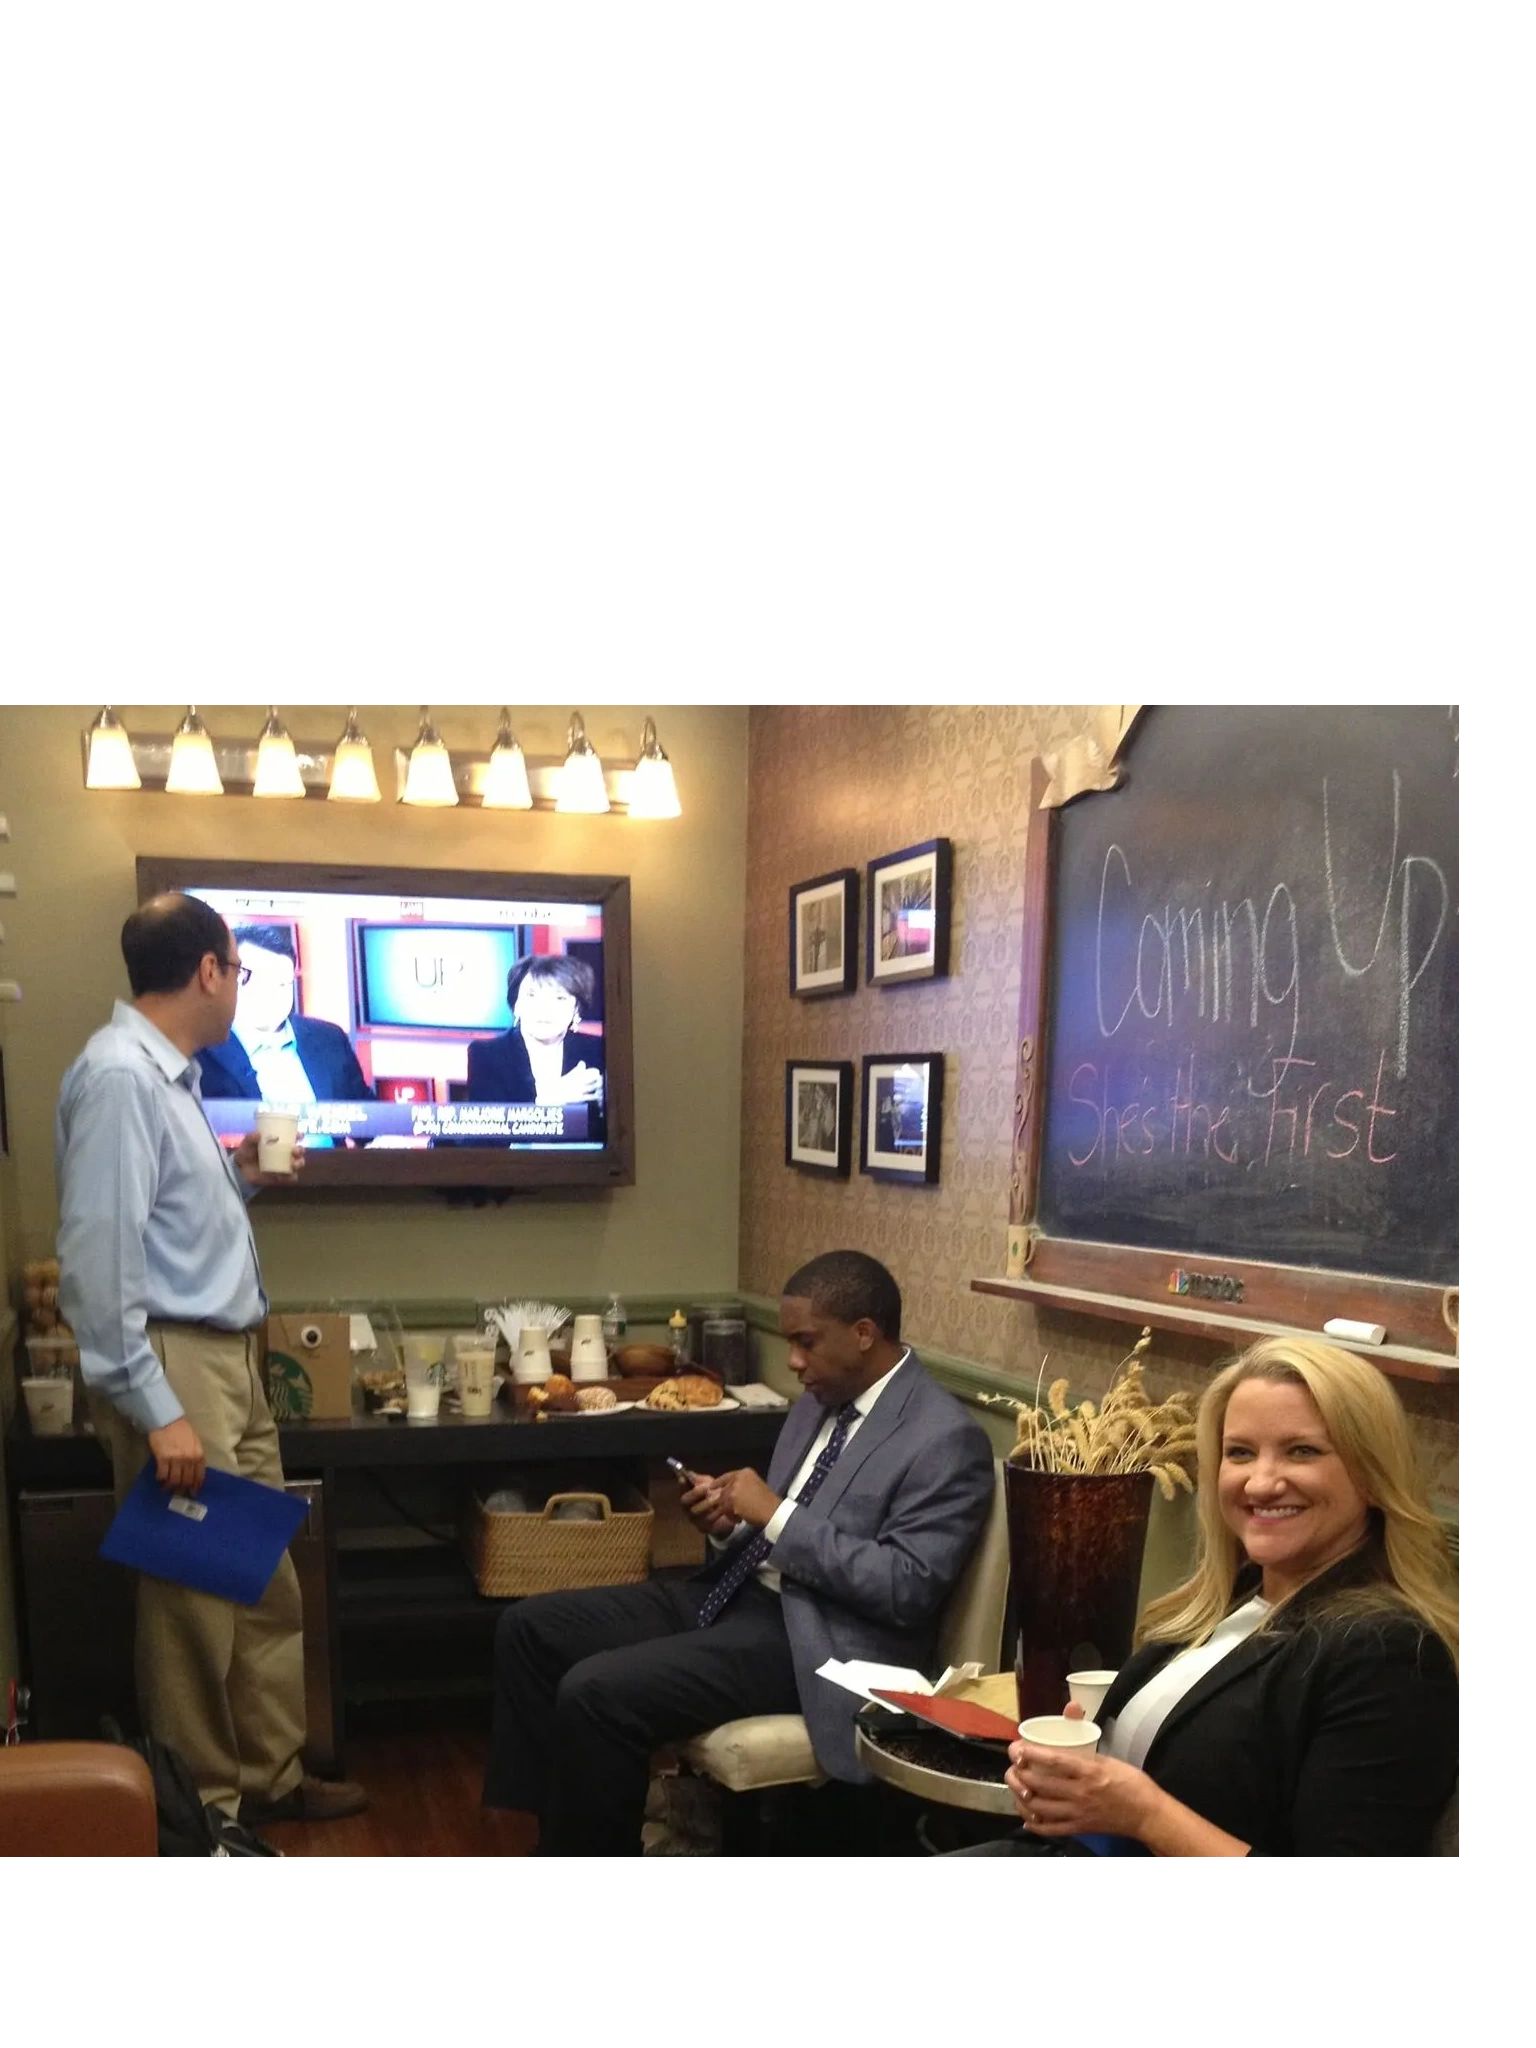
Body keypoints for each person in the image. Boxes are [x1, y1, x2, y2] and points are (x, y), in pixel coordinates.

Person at [483, 1249, 995, 1861]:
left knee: (597, 1693)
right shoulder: (817, 1400)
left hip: (817, 1638)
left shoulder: (943, 1438)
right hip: (733, 1594)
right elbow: (772, 1530)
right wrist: (728, 1523)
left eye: (806, 1342)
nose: (793, 1362)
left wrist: (773, 1513)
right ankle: (562, 1838)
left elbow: (905, 1588)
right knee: (528, 1628)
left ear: (864, 1334)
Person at [55, 893, 367, 1841]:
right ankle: (206, 1815)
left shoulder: (172, 1077)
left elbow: (167, 1224)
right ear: (207, 972)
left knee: (262, 1579)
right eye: (236, 968)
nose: (237, 986)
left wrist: (242, 1176)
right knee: (193, 1603)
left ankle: (270, 1774)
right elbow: (97, 1264)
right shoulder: (119, 1079)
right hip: (174, 1362)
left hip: (228, 1357)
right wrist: (158, 1410)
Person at [934, 1335, 1461, 1865]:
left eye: (1302, 1451)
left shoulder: (1391, 1654)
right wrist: (1087, 1759)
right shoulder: (1231, 1600)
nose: (1261, 1482)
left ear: (1371, 1475)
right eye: (1240, 1453)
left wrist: (1144, 1813)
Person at [195, 923, 374, 1147]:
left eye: (283, 983)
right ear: (232, 978)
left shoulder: (329, 1039)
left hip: (333, 1176)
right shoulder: (201, 1048)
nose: (272, 994)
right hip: (249, 1177)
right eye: (258, 980)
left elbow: (370, 1124)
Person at [464, 954, 606, 1136]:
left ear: (576, 1009)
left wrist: (607, 1107)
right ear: (516, 1005)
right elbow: (483, 1140)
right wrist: (548, 1102)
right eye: (532, 996)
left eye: (560, 998)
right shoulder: (487, 1055)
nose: (545, 1009)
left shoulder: (596, 1051)